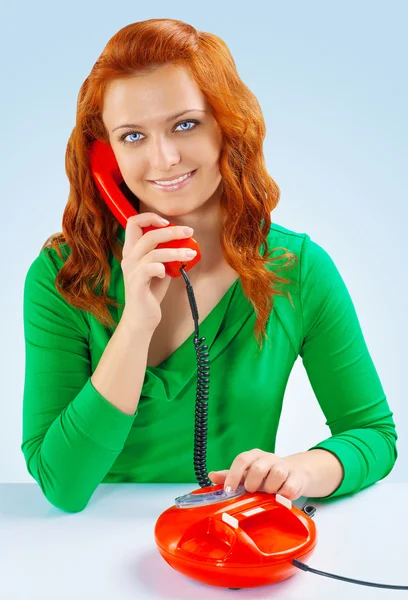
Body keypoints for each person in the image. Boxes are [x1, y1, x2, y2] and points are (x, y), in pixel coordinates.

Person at [22, 18, 398, 513]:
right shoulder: (62, 276)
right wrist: (136, 324)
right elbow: (62, 485)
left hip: (231, 549)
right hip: (87, 557)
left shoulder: (299, 269)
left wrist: (298, 470)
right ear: (105, 155)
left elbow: (372, 435)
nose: (164, 158)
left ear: (227, 123)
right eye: (132, 136)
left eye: (184, 124)